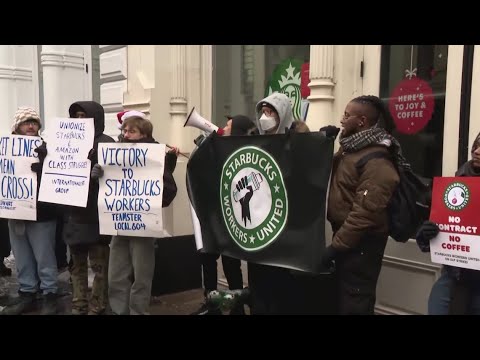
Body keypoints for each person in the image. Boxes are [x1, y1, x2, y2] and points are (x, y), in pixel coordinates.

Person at [322, 95, 403, 315]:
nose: (341, 119)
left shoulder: (377, 160)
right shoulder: (351, 150)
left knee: (355, 302)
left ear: (362, 121)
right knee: (340, 300)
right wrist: (322, 143)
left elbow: (364, 213)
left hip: (363, 245)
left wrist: (335, 247)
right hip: (347, 239)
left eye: (347, 115)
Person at [93, 111, 178, 315]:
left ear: (144, 133)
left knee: (141, 277)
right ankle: (118, 310)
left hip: (143, 227)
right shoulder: (114, 154)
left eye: (132, 131)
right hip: (120, 227)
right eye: (125, 130)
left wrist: (154, 196)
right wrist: (98, 175)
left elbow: (169, 190)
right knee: (116, 276)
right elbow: (107, 188)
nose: (127, 134)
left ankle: (138, 311)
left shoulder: (154, 156)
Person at [191, 114, 257, 315]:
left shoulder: (241, 150)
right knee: (208, 258)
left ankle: (237, 306)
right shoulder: (215, 146)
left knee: (231, 261)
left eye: (228, 126)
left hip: (232, 215)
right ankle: (211, 303)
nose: (223, 128)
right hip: (212, 213)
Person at [1, 107, 59, 315]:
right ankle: (27, 292)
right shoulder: (4, 149)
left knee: (44, 255)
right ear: (17, 127)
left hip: (42, 212)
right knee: (22, 255)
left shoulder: (48, 147)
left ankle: (50, 293)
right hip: (16, 211)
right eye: (26, 122)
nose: (31, 125)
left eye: (34, 122)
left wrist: (45, 166)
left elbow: (60, 177)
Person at [416, 132, 480, 315]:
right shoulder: (458, 183)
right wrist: (428, 235)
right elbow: (441, 237)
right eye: (476, 145)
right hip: (454, 280)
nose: (477, 151)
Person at [246, 92, 297, 314]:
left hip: (283, 228)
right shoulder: (252, 140)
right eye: (264, 112)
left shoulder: (297, 140)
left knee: (280, 285)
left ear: (283, 114)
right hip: (257, 227)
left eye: (271, 113)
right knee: (258, 283)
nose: (266, 117)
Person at [63, 101, 115, 315]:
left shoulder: (107, 143)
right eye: (76, 116)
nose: (79, 120)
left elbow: (118, 178)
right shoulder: (65, 142)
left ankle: (98, 305)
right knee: (77, 266)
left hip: (97, 215)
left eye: (84, 115)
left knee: (100, 267)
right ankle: (79, 304)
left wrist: (102, 175)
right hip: (75, 215)